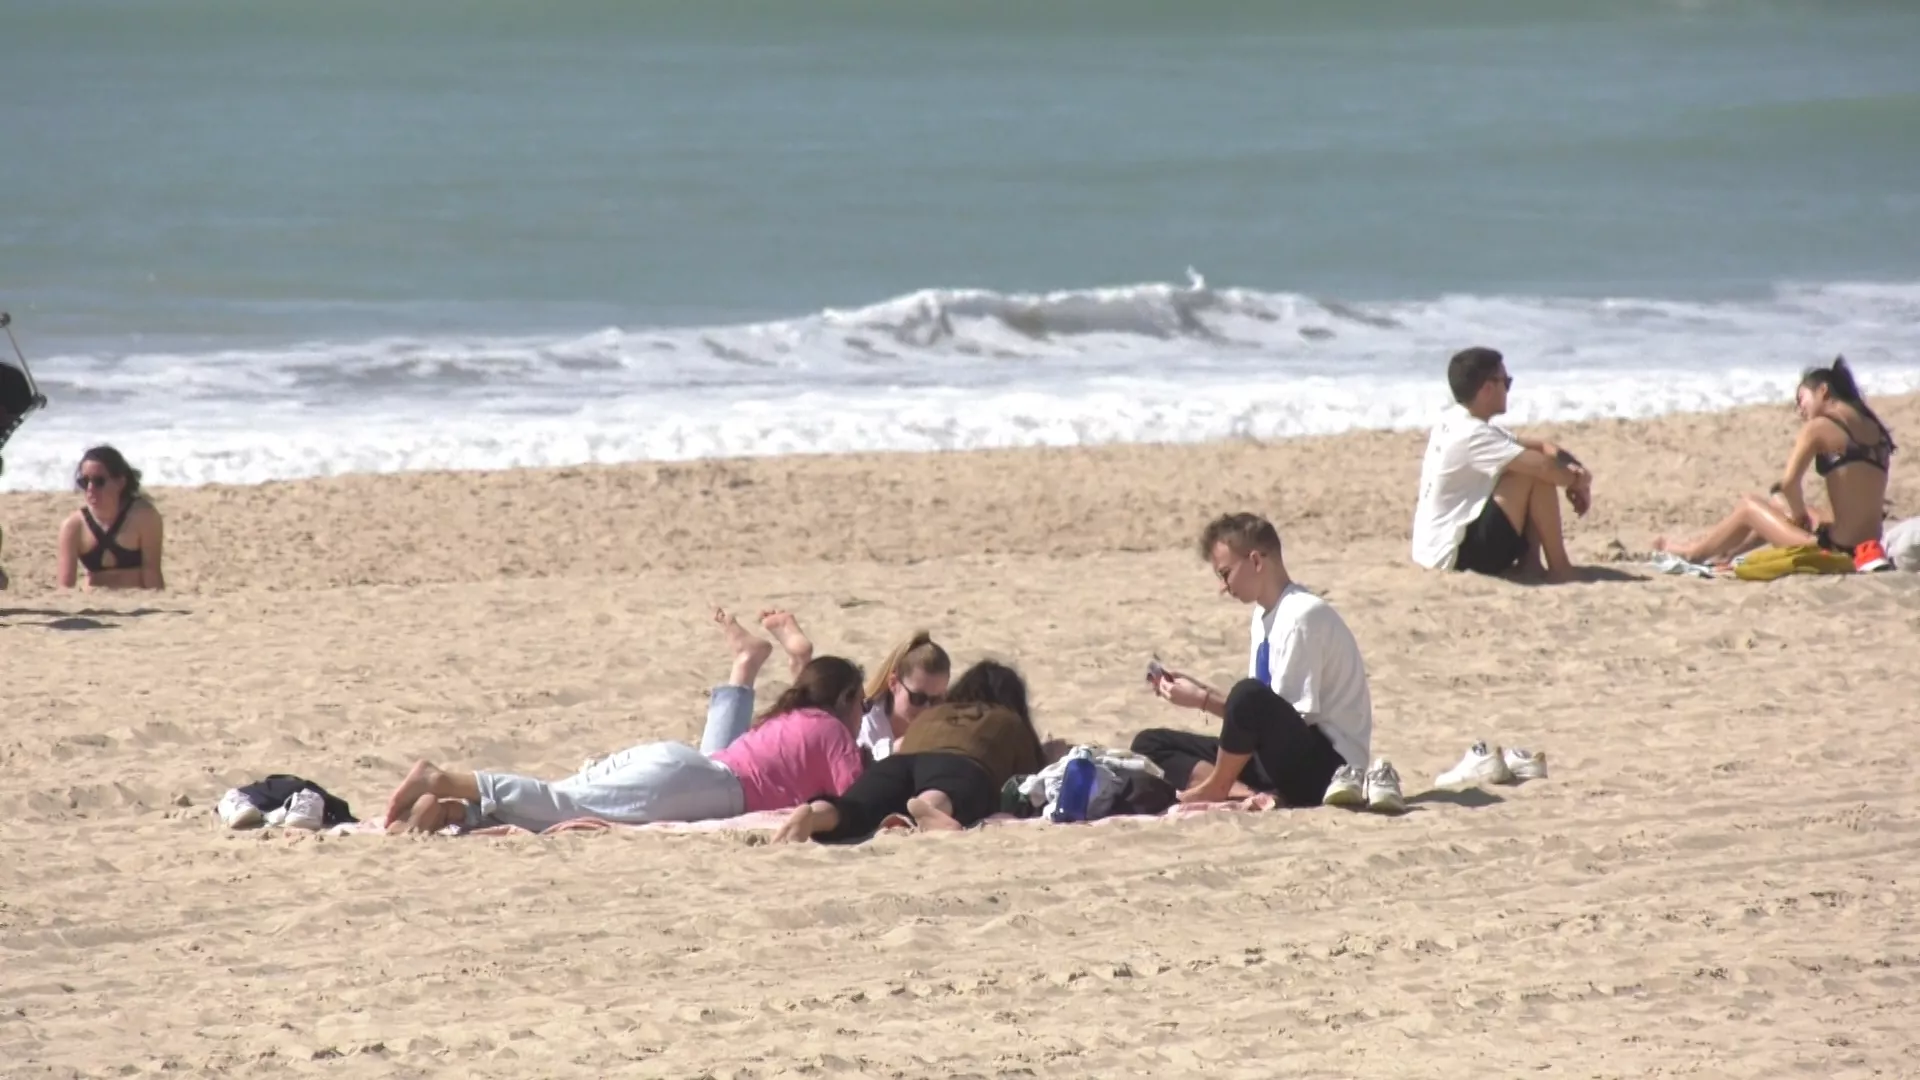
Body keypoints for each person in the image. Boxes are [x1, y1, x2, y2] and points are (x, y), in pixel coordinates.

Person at [384, 654, 867, 833]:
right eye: (861, 705)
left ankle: (453, 811)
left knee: (562, 807)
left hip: (681, 764)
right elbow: (861, 799)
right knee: (565, 805)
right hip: (707, 786)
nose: (862, 716)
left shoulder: (789, 715)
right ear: (844, 699)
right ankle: (445, 781)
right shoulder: (831, 731)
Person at [1129, 512, 1390, 810]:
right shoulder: (1264, 615)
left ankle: (1216, 788)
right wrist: (1199, 692)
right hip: (1280, 756)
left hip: (1330, 771)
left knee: (1247, 694)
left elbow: (1279, 714)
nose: (1223, 586)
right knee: (1149, 745)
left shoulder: (1302, 616)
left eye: (1225, 573)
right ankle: (1241, 791)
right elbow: (1262, 716)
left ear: (1255, 561)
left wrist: (1204, 699)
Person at [1654, 357, 1896, 570]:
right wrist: (1800, 513)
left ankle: (1693, 553)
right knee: (1779, 505)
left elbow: (1789, 483)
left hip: (1838, 549)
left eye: (1801, 399)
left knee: (1749, 506)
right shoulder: (1875, 429)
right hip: (1870, 546)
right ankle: (1729, 554)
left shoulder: (1819, 427)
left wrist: (1799, 516)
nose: (1800, 410)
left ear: (1823, 391)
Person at [772, 659, 1047, 843]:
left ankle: (816, 814)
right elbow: (1032, 779)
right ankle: (929, 806)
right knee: (947, 791)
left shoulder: (934, 713)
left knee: (857, 807)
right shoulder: (1008, 720)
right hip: (961, 764)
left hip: (899, 763)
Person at [1410, 347, 1593, 584]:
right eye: (1506, 382)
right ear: (1488, 389)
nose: (1508, 389)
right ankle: (1560, 568)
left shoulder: (1456, 420)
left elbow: (1542, 446)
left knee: (1527, 463)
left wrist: (1575, 468)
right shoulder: (1473, 434)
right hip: (1453, 556)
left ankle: (1531, 564)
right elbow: (1545, 467)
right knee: (1533, 471)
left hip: (1434, 549)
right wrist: (1580, 481)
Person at [56, 445, 164, 590]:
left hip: (136, 596)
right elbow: (65, 588)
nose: (90, 489)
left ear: (120, 482)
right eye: (84, 482)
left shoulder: (143, 517)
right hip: (94, 600)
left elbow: (152, 573)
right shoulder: (73, 526)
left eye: (99, 481)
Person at [855, 631, 952, 761]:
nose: (927, 708)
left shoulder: (949, 723)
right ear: (894, 683)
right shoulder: (865, 727)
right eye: (918, 698)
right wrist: (892, 752)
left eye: (937, 700)